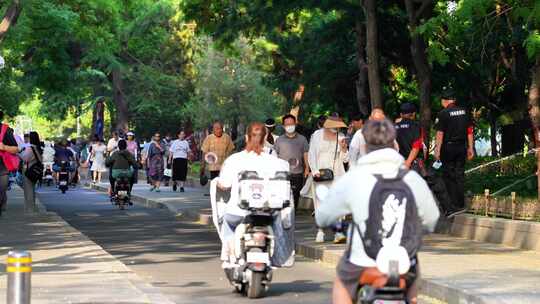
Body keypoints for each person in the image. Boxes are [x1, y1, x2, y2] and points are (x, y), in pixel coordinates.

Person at [316, 119, 440, 304]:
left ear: (365, 144)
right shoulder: (412, 179)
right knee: (413, 278)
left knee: (342, 282)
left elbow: (323, 216)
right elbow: (432, 219)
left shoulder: (354, 178)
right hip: (403, 266)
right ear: (394, 143)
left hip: (363, 263)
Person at [217, 122, 291, 263]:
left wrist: (220, 184)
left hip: (239, 212)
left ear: (246, 137)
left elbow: (225, 184)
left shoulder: (234, 160)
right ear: (265, 139)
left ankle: (230, 255)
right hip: (270, 213)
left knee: (227, 221)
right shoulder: (278, 163)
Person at [306, 115, 349, 243]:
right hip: (321, 172)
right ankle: (320, 231)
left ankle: (338, 232)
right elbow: (312, 153)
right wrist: (314, 170)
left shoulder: (340, 136)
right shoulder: (317, 135)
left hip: (337, 173)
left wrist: (343, 149)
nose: (336, 128)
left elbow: (345, 159)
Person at [434, 88, 474, 217]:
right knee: (459, 174)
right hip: (462, 147)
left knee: (448, 175)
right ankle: (461, 203)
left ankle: (453, 205)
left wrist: (437, 150)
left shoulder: (443, 113)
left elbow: (440, 133)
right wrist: (471, 148)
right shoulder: (465, 111)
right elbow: (469, 131)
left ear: (445, 101)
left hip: (448, 147)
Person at [275, 114, 309, 209]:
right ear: (283, 126)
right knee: (282, 195)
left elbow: (306, 154)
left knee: (295, 195)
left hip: (297, 172)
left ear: (295, 124)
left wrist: (307, 168)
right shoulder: (279, 140)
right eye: (287, 124)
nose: (290, 126)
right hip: (282, 173)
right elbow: (275, 155)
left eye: (291, 123)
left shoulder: (302, 139)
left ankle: (293, 213)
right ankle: (283, 213)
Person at [395, 103, 425, 173]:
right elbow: (416, 146)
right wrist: (408, 163)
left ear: (401, 114)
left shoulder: (394, 127)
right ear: (414, 114)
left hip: (399, 161)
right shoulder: (416, 126)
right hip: (413, 162)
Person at [0, 110, 20, 215]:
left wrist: (4, 147)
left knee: (1, 192)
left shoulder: (5, 130)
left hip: (2, 169)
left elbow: (16, 149)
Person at [20, 132, 43, 212]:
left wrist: (19, 153)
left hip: (28, 170)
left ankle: (30, 209)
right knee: (32, 189)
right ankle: (32, 207)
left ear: (31, 138)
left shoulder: (30, 148)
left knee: (28, 190)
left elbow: (25, 158)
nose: (26, 138)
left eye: (28, 137)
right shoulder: (38, 147)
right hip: (35, 171)